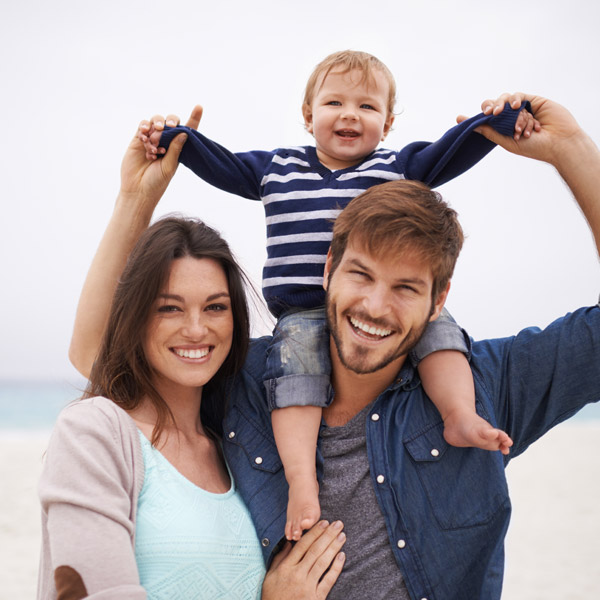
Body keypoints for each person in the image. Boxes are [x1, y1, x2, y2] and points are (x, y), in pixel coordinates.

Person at [70, 92, 600, 599]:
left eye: (405, 288)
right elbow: (98, 355)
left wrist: (570, 148)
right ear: (328, 270)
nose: (374, 306)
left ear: (440, 300)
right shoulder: (250, 385)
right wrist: (136, 198)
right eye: (361, 275)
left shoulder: (487, 385)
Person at [140, 50, 535, 539]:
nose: (350, 114)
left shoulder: (398, 166)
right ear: (309, 116)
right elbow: (221, 164)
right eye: (334, 102)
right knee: (295, 377)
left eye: (367, 108)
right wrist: (178, 139)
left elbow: (454, 148)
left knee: (441, 332)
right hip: (303, 311)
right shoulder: (275, 168)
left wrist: (499, 119)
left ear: (387, 124)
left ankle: (459, 416)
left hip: (385, 307)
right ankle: (302, 480)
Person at [38, 124, 347, 600]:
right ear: (137, 317)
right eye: (169, 307)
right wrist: (134, 200)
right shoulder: (96, 432)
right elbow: (90, 349)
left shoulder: (236, 438)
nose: (197, 330)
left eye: (216, 307)